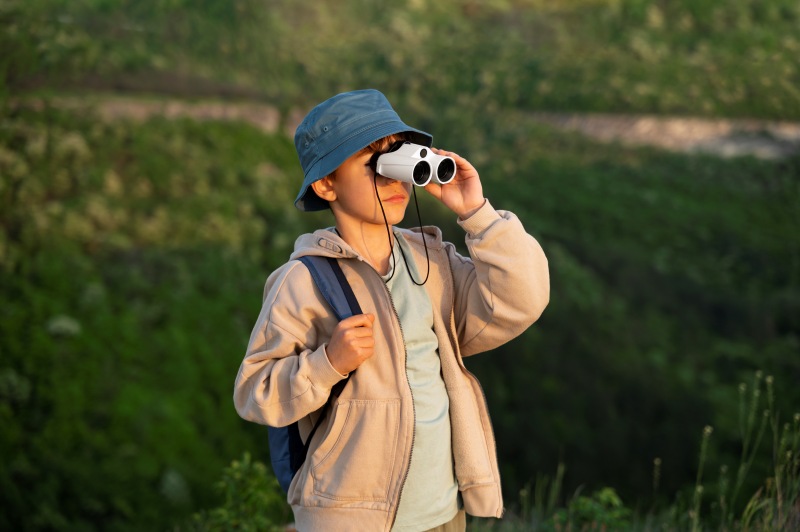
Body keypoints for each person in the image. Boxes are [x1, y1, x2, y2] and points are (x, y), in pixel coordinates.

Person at [233, 89, 549, 532]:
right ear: (326, 185)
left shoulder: (430, 262)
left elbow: (522, 299)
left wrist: (476, 212)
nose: (394, 180)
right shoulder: (302, 281)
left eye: (398, 160)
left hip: (444, 512)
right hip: (352, 517)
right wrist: (327, 364)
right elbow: (255, 393)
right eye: (374, 165)